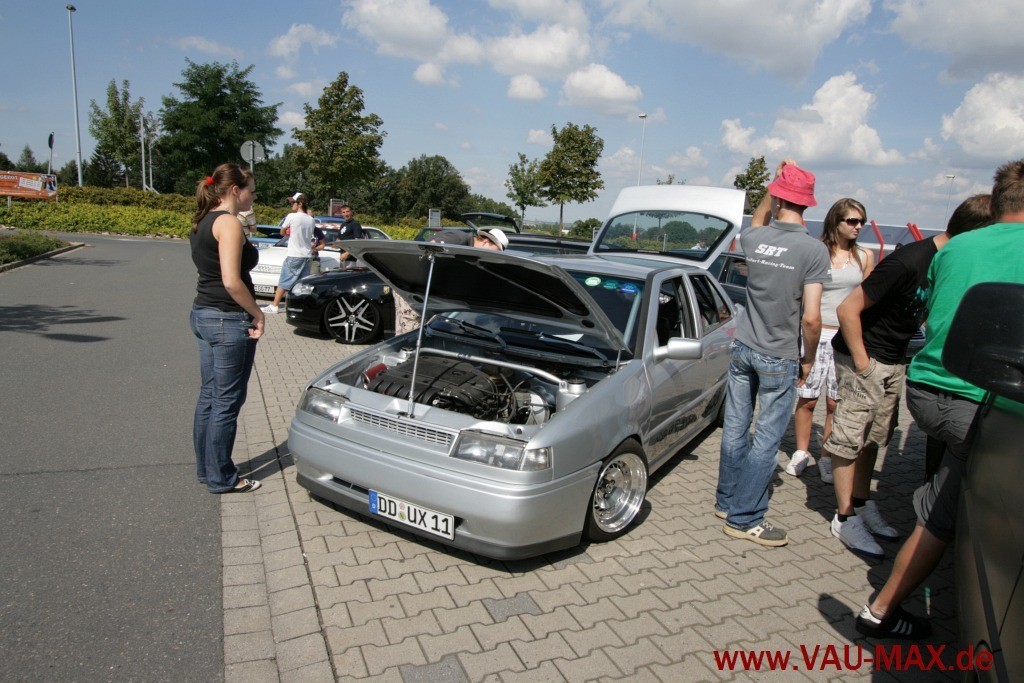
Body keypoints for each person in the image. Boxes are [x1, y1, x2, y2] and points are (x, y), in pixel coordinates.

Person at [854, 163, 1022, 640]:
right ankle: (882, 611)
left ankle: (928, 503)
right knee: (940, 518)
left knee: (946, 486)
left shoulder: (956, 246)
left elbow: (933, 312)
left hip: (925, 389)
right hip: (978, 402)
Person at [823, 194, 993, 561]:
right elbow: (847, 309)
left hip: (894, 359)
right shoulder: (910, 260)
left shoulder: (948, 260)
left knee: (874, 437)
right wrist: (864, 364)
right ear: (972, 233)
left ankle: (861, 502)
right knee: (849, 438)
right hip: (864, 356)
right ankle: (844, 517)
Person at [715, 159, 831, 547]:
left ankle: (727, 501)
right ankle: (745, 517)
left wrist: (774, 184)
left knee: (735, 428)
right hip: (779, 355)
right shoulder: (813, 250)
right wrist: (808, 358)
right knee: (766, 439)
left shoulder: (754, 238)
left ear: (779, 198)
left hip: (743, 347)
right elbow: (811, 318)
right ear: (808, 203)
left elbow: (758, 219)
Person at [189, 163, 264, 494]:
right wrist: (258, 314)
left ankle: (207, 470)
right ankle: (222, 477)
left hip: (204, 313)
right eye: (251, 190)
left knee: (210, 396)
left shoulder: (204, 220)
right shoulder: (228, 223)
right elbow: (232, 281)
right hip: (227, 320)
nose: (254, 196)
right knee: (226, 401)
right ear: (236, 190)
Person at [787, 200, 875, 481]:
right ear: (836, 222)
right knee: (807, 398)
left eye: (861, 221)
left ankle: (826, 455)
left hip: (844, 336)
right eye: (852, 221)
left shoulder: (864, 256)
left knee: (835, 402)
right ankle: (802, 451)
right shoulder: (817, 252)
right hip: (814, 333)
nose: (858, 227)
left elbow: (868, 299)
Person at [393, 228, 510, 335]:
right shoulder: (458, 239)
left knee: (424, 332)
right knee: (409, 334)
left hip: (428, 292)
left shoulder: (471, 253)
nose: (490, 257)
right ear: (486, 241)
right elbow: (430, 249)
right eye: (493, 252)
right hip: (411, 288)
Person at [262, 192, 316, 314]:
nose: (291, 205)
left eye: (293, 202)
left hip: (295, 254)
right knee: (301, 284)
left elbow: (282, 232)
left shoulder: (292, 216)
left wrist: (289, 232)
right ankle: (300, 307)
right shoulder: (311, 220)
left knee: (284, 281)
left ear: (300, 204)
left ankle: (275, 306)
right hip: (307, 255)